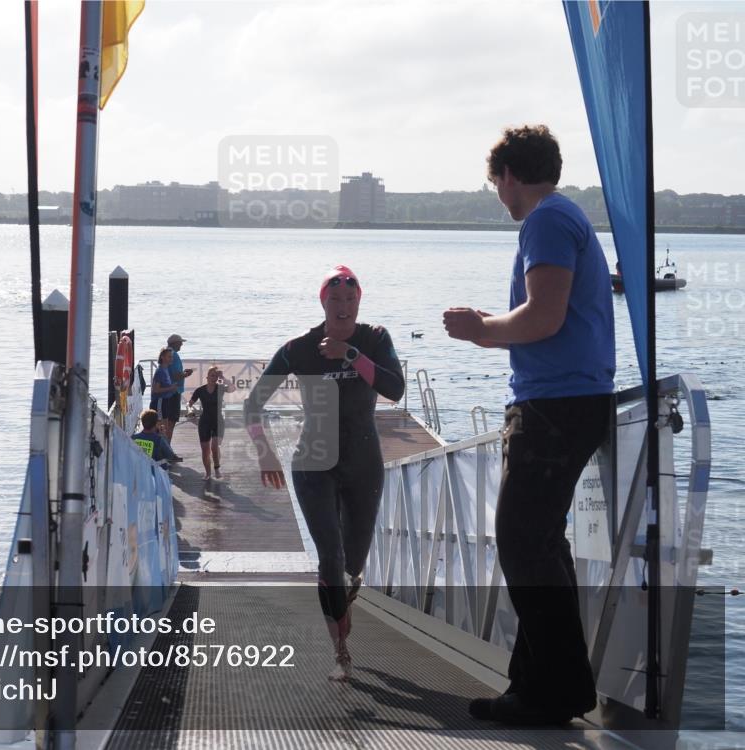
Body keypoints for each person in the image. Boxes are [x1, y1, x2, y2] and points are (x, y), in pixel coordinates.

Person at [443, 124, 615, 726]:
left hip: (555, 406)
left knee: (521, 541)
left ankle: (559, 690)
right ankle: (536, 685)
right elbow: (548, 318)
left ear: (510, 175)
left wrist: (480, 330)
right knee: (539, 543)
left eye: (496, 183)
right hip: (570, 400)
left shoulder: (545, 220)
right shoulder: (565, 217)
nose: (499, 195)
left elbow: (544, 317)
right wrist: (492, 327)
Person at [243, 265, 404, 681]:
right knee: (330, 556)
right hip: (314, 461)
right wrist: (265, 453)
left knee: (352, 562)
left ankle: (345, 594)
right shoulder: (298, 348)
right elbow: (252, 404)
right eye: (335, 300)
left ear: (358, 302)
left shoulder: (375, 339)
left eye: (351, 300)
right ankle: (340, 651)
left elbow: (395, 389)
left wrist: (350, 355)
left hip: (363, 463)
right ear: (323, 302)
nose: (343, 307)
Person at [188, 365, 237, 481]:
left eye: (215, 376)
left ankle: (217, 468)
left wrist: (223, 378)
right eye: (212, 375)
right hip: (204, 421)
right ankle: (208, 473)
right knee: (205, 451)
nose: (213, 378)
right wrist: (190, 411)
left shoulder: (220, 388)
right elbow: (189, 404)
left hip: (218, 421)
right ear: (207, 377)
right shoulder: (200, 390)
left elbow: (233, 388)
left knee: (214, 446)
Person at [165, 334, 194, 440]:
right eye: (180, 342)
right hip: (174, 391)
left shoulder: (165, 353)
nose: (181, 344)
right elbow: (176, 375)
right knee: (171, 421)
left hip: (166, 391)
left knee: (165, 420)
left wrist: (182, 373)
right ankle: (167, 445)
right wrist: (186, 374)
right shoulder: (174, 355)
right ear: (175, 343)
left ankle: (165, 445)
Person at [149, 348, 180, 446]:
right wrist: (171, 388)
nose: (171, 359)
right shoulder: (160, 371)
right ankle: (160, 449)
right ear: (162, 357)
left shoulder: (165, 369)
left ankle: (164, 449)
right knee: (161, 428)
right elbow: (155, 389)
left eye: (171, 357)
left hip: (165, 401)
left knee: (164, 428)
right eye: (169, 357)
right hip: (159, 401)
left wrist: (172, 388)